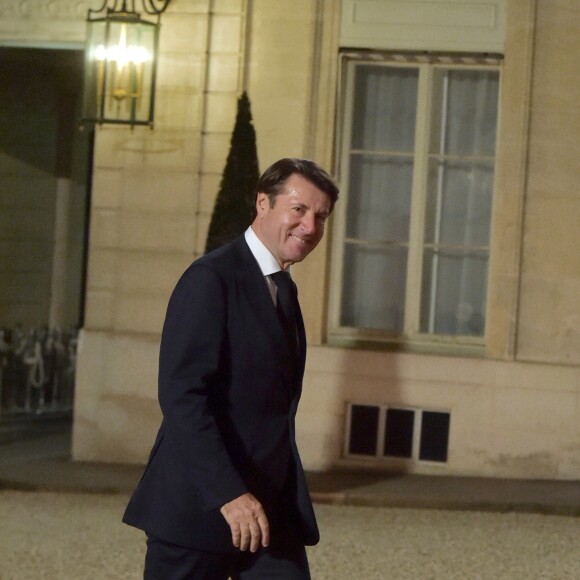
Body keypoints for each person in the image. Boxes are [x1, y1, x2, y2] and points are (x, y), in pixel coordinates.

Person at [123, 157, 339, 579]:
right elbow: (183, 396)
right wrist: (228, 492)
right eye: (299, 210)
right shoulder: (210, 278)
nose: (310, 227)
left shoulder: (283, 287)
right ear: (263, 203)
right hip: (200, 506)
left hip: (271, 512)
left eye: (321, 216)